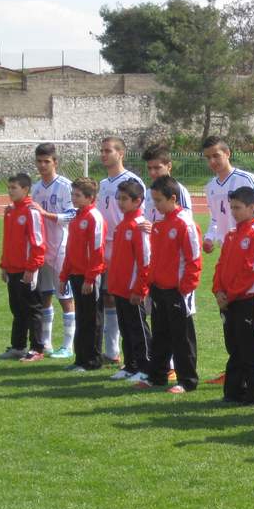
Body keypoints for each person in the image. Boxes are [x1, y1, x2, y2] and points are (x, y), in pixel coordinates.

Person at [200, 134, 254, 386]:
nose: (213, 161)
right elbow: (215, 219)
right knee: (232, 328)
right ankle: (235, 372)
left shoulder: (245, 179)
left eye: (216, 156)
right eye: (208, 158)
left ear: (227, 154)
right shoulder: (210, 186)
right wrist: (210, 238)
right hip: (229, 250)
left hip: (250, 252)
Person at [134, 175, 202, 394]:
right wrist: (151, 283)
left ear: (173, 198)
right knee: (160, 335)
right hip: (159, 289)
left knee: (182, 337)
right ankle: (157, 376)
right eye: (153, 200)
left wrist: (185, 288)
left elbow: (194, 259)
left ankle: (187, 380)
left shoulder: (185, 223)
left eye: (159, 200)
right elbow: (155, 258)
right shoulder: (159, 225)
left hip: (177, 291)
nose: (156, 205)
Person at [213, 186, 254, 406]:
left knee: (252, 347)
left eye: (238, 207)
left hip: (247, 300)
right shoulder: (231, 234)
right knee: (234, 345)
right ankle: (233, 391)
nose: (234, 212)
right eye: (232, 207)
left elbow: (251, 270)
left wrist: (230, 294)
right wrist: (218, 290)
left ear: (252, 207)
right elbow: (220, 265)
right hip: (228, 300)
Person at [96, 136, 145, 365]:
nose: (104, 154)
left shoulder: (132, 181)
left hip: (124, 246)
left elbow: (142, 214)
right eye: (102, 151)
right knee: (109, 297)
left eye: (108, 151)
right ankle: (112, 351)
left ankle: (136, 355)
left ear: (121, 154)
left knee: (126, 300)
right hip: (104, 247)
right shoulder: (104, 183)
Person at [31, 143, 76, 358]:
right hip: (42, 248)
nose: (42, 165)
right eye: (39, 161)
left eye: (46, 161)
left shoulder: (66, 186)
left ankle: (68, 346)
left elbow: (73, 214)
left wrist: (46, 214)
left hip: (61, 248)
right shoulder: (36, 188)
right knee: (45, 295)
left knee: (65, 296)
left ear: (55, 162)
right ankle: (46, 342)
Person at [59, 178, 106, 372]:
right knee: (81, 317)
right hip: (75, 274)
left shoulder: (94, 217)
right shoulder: (76, 217)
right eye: (73, 194)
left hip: (89, 277)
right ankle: (80, 359)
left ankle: (92, 360)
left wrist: (90, 277)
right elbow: (70, 249)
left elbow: (97, 250)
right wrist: (64, 275)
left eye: (78, 195)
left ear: (90, 197)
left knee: (92, 318)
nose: (73, 198)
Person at [0, 173, 47, 362]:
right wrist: (4, 265)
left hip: (27, 269)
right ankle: (18, 346)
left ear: (25, 189)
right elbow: (7, 242)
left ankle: (37, 348)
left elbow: (38, 243)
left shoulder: (31, 211)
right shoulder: (10, 211)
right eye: (9, 188)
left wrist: (32, 268)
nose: (10, 191)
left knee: (33, 309)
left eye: (14, 188)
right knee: (17, 309)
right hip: (12, 268)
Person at [106, 180, 151, 383]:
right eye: (119, 198)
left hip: (133, 290)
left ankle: (145, 366)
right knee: (125, 328)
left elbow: (145, 261)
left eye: (125, 199)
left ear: (137, 201)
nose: (120, 203)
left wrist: (139, 288)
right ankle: (131, 365)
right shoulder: (122, 225)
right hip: (120, 288)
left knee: (138, 328)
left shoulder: (139, 226)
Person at [141, 144, 192, 222]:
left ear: (169, 166)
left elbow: (186, 222)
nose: (152, 172)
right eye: (149, 168)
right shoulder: (148, 192)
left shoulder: (179, 190)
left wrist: (157, 226)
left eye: (157, 168)